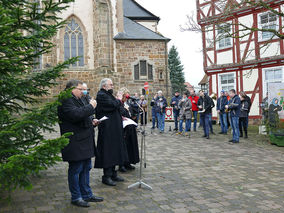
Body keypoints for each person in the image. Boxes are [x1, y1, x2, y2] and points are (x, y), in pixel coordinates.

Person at [57, 79, 104, 208]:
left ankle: (87, 194)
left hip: (85, 140)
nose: (83, 92)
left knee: (86, 167)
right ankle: (76, 197)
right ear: (72, 89)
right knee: (76, 169)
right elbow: (75, 115)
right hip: (74, 142)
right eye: (81, 89)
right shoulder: (65, 100)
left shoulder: (80, 98)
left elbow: (85, 115)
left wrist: (92, 120)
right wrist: (91, 106)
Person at [94, 78, 128, 186]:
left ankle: (114, 173)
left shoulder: (108, 94)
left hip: (114, 128)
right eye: (111, 85)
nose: (112, 86)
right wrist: (118, 99)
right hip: (107, 129)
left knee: (115, 150)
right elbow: (113, 105)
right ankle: (106, 176)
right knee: (108, 152)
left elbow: (117, 108)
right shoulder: (101, 95)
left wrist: (121, 116)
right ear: (104, 86)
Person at [117, 88, 140, 173]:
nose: (126, 98)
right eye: (125, 96)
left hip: (130, 126)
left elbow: (131, 114)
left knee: (130, 145)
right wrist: (126, 110)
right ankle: (121, 164)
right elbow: (121, 113)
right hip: (123, 128)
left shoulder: (127, 103)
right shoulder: (119, 103)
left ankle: (128, 162)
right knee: (124, 146)